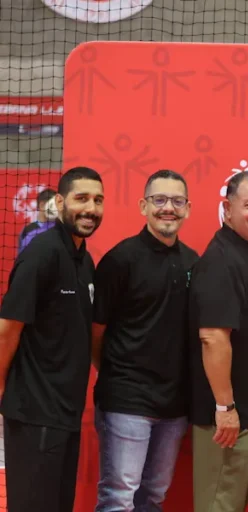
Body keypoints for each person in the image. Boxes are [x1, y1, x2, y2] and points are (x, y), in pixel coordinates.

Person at [91, 170, 199, 511]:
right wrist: (116, 375)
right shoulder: (120, 260)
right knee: (119, 496)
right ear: (143, 206)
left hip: (174, 407)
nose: (169, 208)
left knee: (153, 496)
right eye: (160, 200)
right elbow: (96, 331)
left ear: (188, 209)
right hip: (126, 400)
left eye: (177, 201)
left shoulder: (194, 262)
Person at [0, 166, 104, 511]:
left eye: (97, 200)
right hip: (35, 412)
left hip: (66, 412)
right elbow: (8, 328)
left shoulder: (84, 260)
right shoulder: (42, 253)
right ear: (60, 202)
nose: (90, 208)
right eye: (81, 198)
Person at [189, 171, 248, 512]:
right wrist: (225, 409)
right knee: (218, 506)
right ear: (227, 209)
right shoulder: (222, 261)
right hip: (229, 423)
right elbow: (213, 338)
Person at [17, 187, 57, 255]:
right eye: (53, 205)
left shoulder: (61, 228)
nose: (57, 209)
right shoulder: (28, 230)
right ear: (42, 205)